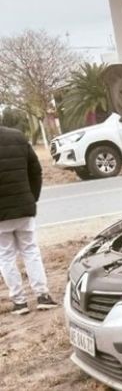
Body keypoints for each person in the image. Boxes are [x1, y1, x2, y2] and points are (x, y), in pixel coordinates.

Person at [0, 126, 58, 315]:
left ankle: (19, 302)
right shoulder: (18, 136)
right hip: (24, 208)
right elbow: (36, 171)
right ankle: (42, 296)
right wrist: (32, 197)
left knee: (6, 256)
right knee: (31, 251)